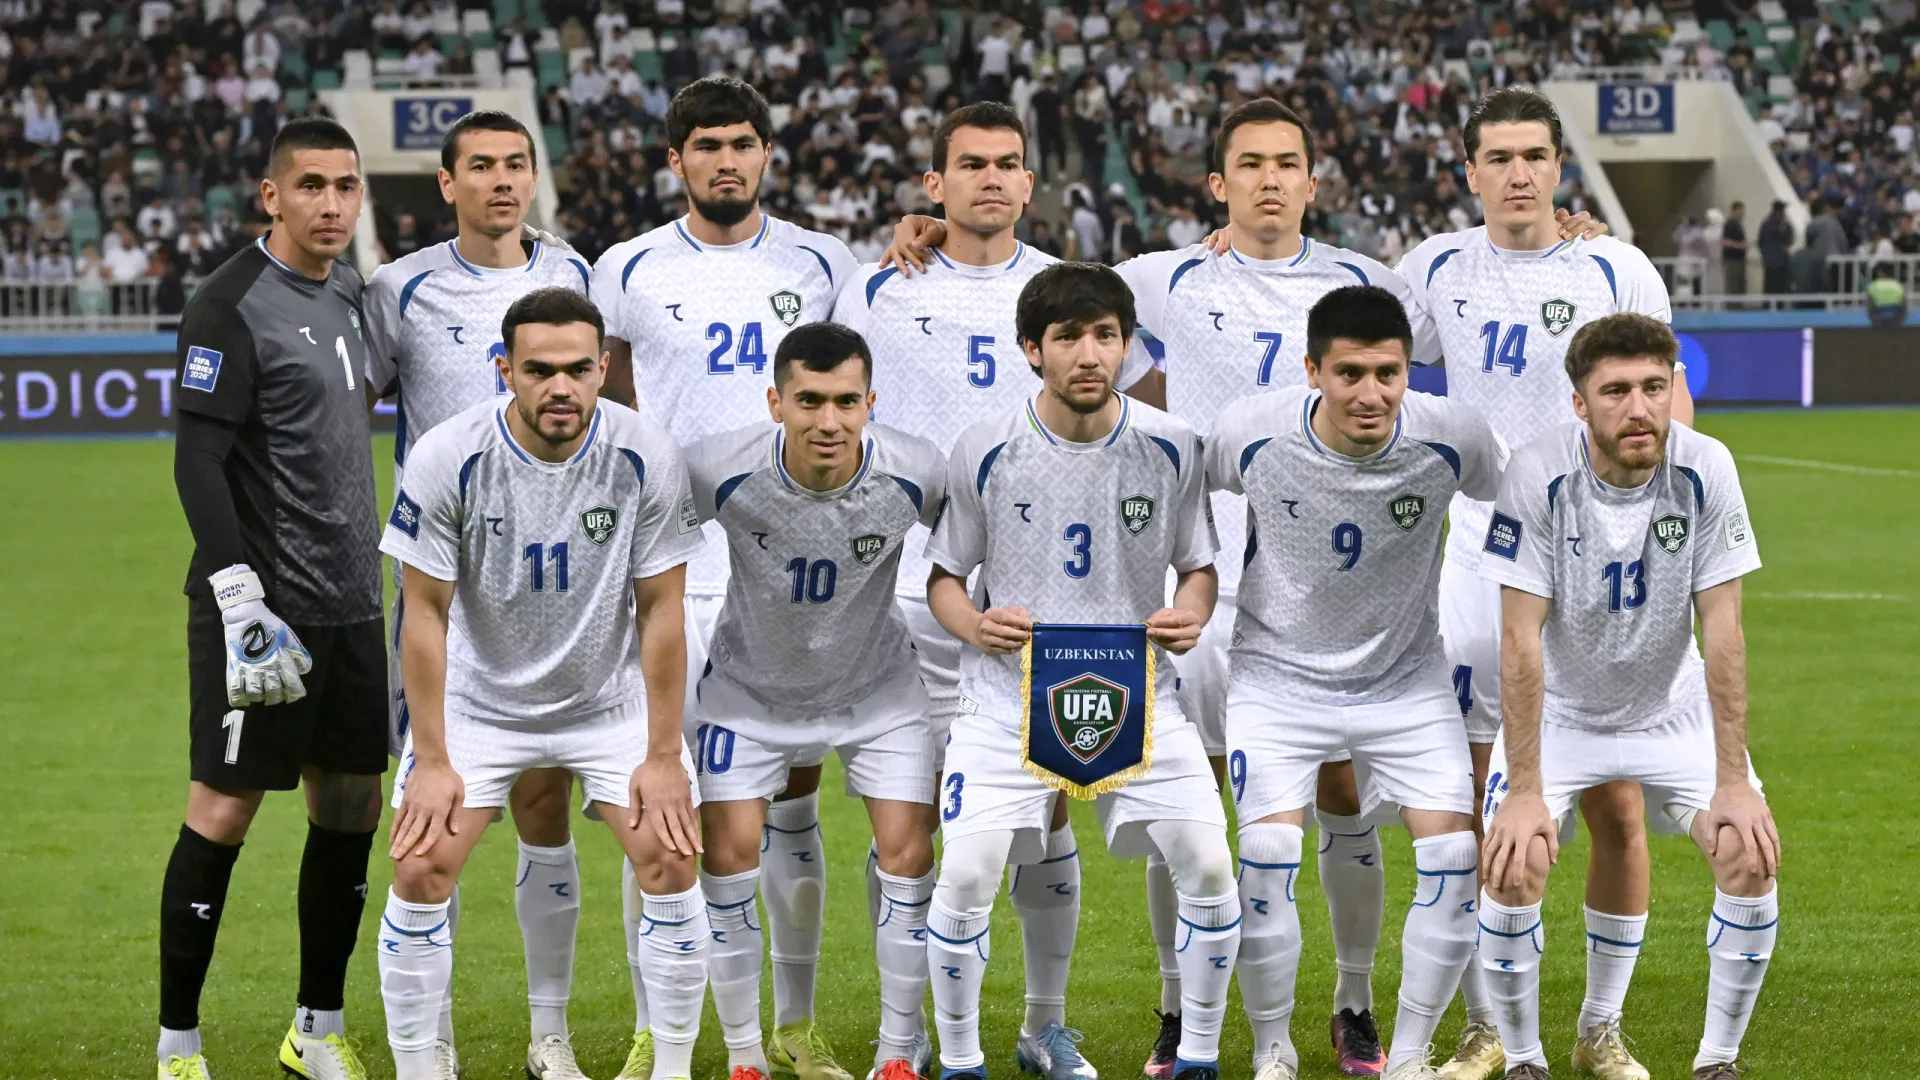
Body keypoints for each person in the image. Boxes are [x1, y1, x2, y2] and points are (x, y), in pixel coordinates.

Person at [877, 95, 1609, 1080]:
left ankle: (1353, 1001)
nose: (1271, 180)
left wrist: (1571, 233)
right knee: (1197, 802)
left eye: (1287, 163)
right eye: (1249, 164)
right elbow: (1050, 287)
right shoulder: (1167, 277)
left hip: (1320, 581)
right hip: (1190, 576)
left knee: (1344, 791)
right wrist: (939, 228)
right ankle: (1183, 1014)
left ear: (1314, 181)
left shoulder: (1369, 279)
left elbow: (1495, 293)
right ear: (1218, 183)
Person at [1397, 87, 1686, 1080]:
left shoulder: (1615, 265)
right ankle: (1488, 1031)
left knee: (1613, 801)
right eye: (1498, 157)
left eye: (1535, 155)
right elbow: (1354, 342)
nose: (1518, 173)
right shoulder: (1433, 268)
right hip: (1481, 552)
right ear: (1468, 171)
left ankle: (1600, 1028)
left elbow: (1667, 397)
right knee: (1489, 797)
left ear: (1560, 167)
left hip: (1605, 556)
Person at [590, 74, 859, 1080]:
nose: (728, 161)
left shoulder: (823, 261)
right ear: (677, 160)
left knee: (790, 797)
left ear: (766, 155)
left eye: (744, 143)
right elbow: (611, 409)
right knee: (656, 800)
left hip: (789, 574)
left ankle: (792, 1025)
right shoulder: (627, 270)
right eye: (707, 145)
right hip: (670, 570)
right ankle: (657, 1029)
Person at [375, 287, 708, 1080]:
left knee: (670, 857)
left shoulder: (644, 452)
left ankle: (669, 1070)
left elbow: (663, 609)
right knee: (420, 866)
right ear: (505, 371)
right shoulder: (449, 456)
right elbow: (421, 613)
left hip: (607, 702)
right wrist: (430, 758)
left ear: (603, 370)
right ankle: (422, 1069)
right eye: (538, 370)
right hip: (479, 705)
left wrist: (663, 754)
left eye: (576, 370)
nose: (560, 388)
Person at [925, 261, 1239, 1080]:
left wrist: (1194, 609)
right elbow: (945, 579)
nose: (1089, 354)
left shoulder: (1173, 446)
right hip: (1007, 699)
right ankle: (962, 1064)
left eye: (1106, 335)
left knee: (1209, 864)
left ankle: (1196, 1058)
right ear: (1032, 349)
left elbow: (1198, 564)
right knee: (964, 871)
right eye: (1067, 338)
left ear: (1129, 345)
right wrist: (975, 624)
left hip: (1140, 697)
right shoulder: (985, 449)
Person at [836, 102, 1096, 1080]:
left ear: (1031, 184)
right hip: (904, 593)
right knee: (904, 825)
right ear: (933, 187)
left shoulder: (1073, 292)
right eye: (970, 165)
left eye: (1009, 164)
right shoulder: (875, 291)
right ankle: (900, 1043)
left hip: (1043, 601)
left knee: (1044, 813)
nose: (991, 179)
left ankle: (1043, 1023)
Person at [1206, 284, 1502, 1080]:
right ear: (1313, 371)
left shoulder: (1453, 437)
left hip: (1406, 682)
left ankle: (1406, 1056)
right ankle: (1273, 1048)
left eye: (1388, 373)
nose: (1370, 394)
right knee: (1267, 848)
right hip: (1276, 677)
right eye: (1349, 374)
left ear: (1410, 371)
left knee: (1452, 857)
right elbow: (1183, 493)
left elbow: (1514, 508)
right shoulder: (1251, 432)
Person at [1477, 313, 1777, 1080]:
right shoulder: (1537, 474)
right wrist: (1526, 788)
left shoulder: (1705, 466)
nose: (1639, 409)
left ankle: (1710, 1060)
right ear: (1580, 404)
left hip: (1671, 712)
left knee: (1749, 854)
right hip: (1564, 718)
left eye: (1654, 387)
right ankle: (1524, 1061)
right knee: (1514, 864)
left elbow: (1726, 630)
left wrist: (1735, 780)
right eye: (1615, 391)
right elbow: (1517, 640)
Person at [359, 109, 594, 1080]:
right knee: (432, 821)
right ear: (446, 184)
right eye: (482, 167)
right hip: (443, 590)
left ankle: (550, 1037)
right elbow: (346, 404)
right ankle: (431, 1048)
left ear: (535, 176)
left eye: (517, 164)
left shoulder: (579, 273)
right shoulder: (398, 288)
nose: (503, 180)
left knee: (545, 804)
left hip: (558, 591)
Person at [159, 116, 384, 1080]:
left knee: (350, 809)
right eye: (311, 187)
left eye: (346, 187)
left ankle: (316, 1029)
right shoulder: (229, 304)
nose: (330, 205)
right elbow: (197, 458)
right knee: (223, 809)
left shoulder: (351, 291)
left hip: (354, 607)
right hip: (263, 614)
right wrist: (238, 594)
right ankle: (178, 1046)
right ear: (272, 195)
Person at [683, 323, 945, 1080]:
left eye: (845, 402)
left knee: (908, 857)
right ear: (775, 401)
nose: (827, 421)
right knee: (726, 862)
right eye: (808, 401)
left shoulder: (916, 470)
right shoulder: (716, 468)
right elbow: (652, 563)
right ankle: (744, 1058)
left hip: (877, 688)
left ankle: (898, 1052)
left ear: (870, 404)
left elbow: (969, 552)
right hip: (748, 690)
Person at [1757, 200, 1793, 296]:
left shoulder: (1765, 223)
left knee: (1769, 287)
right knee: (1780, 288)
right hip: (1781, 261)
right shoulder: (1784, 224)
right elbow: (1790, 240)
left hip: (1768, 260)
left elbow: (1760, 242)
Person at [1720, 202, 1748, 296]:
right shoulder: (1730, 224)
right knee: (1732, 287)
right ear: (1735, 210)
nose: (1742, 214)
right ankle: (1731, 307)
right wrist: (1740, 246)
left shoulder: (1738, 225)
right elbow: (1725, 242)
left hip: (1739, 259)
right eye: (1741, 211)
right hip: (1732, 260)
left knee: (1739, 287)